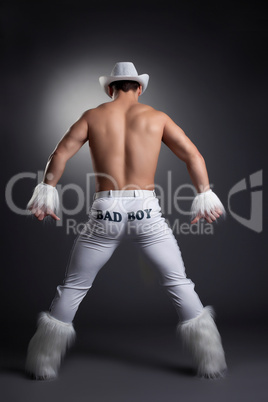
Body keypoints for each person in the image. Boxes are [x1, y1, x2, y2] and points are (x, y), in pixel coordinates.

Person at [25, 62, 227, 380]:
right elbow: (193, 155)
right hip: (146, 212)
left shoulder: (93, 116)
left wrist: (47, 192)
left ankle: (42, 364)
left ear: (111, 89)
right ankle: (212, 362)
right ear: (139, 89)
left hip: (106, 212)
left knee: (74, 287)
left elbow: (61, 153)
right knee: (179, 283)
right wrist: (204, 196)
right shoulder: (157, 118)